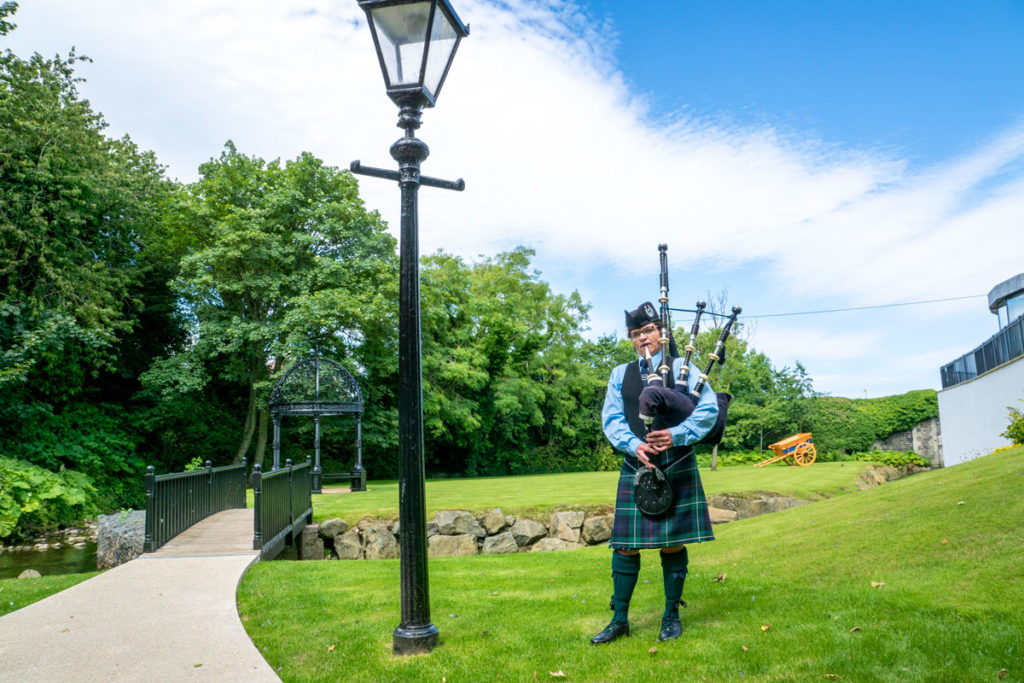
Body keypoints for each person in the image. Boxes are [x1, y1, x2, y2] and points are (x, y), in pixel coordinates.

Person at [591, 301, 719, 644]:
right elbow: (612, 419)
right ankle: (619, 620)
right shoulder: (621, 374)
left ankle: (671, 616)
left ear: (661, 332)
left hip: (677, 461)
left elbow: (707, 411)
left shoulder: (685, 368)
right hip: (638, 463)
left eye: (648, 330)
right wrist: (635, 445)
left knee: (672, 544)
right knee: (625, 546)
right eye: (635, 334)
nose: (642, 338)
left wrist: (675, 435)